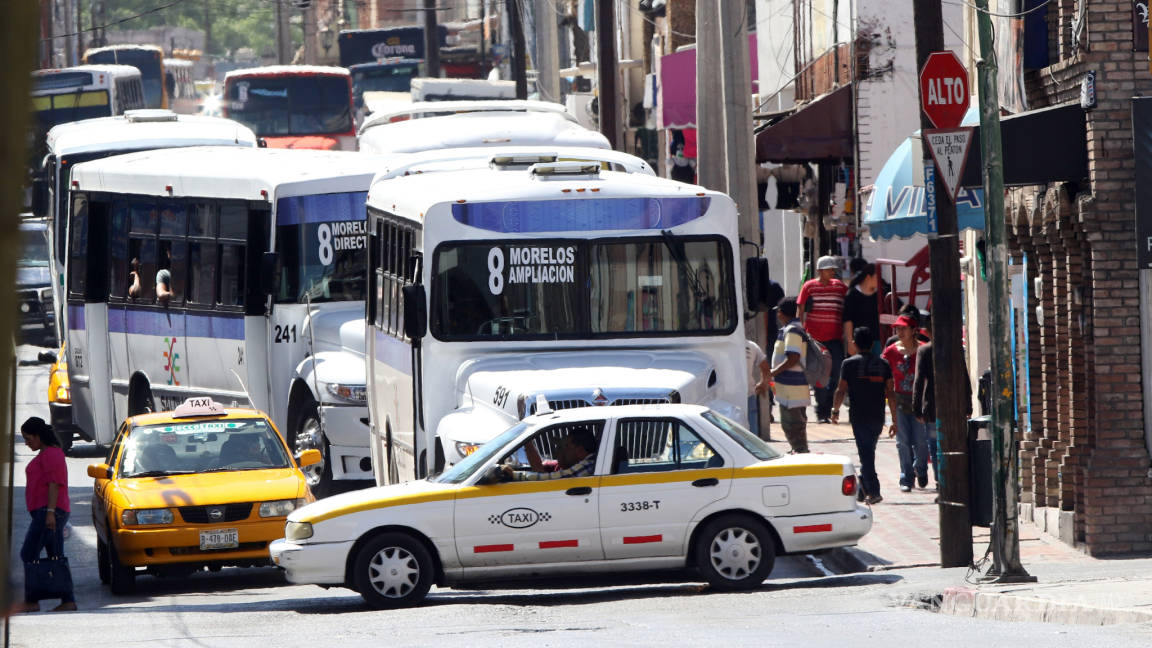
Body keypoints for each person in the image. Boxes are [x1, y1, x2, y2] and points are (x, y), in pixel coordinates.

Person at [831, 327, 897, 504]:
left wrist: (835, 411)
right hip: (877, 416)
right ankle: (863, 489)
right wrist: (895, 420)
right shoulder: (883, 364)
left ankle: (874, 491)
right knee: (868, 451)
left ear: (855, 343)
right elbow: (891, 393)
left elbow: (841, 390)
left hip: (859, 416)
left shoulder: (848, 364)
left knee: (865, 453)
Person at [17, 417, 76, 613]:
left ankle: (32, 600)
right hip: (47, 512)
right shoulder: (46, 453)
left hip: (49, 512)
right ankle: (67, 599)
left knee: (28, 553)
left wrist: (50, 512)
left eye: (28, 438)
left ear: (38, 436)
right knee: (55, 556)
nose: (26, 443)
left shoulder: (51, 454)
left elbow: (54, 484)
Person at [912, 340, 972, 489]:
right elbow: (964, 377)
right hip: (954, 407)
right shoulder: (955, 348)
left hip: (933, 408)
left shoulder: (924, 350)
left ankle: (942, 483)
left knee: (935, 447)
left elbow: (919, 380)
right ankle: (951, 481)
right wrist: (968, 405)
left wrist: (916, 407)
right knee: (953, 444)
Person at [798, 255, 847, 423]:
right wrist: (800, 330)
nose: (832, 272)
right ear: (820, 271)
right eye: (829, 269)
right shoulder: (809, 286)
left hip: (835, 338)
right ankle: (821, 411)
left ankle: (828, 406)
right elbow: (801, 307)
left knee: (836, 374)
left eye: (833, 269)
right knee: (818, 374)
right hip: (814, 339)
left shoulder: (840, 287)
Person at [883, 315, 930, 492]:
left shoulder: (923, 350)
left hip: (920, 401)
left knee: (920, 440)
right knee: (902, 441)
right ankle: (906, 476)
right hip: (899, 401)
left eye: (903, 328)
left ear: (913, 331)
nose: (899, 332)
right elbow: (883, 373)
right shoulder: (891, 351)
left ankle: (921, 470)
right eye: (898, 329)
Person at [768, 296, 810, 453]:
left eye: (778, 312)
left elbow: (794, 357)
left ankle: (800, 454)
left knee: (792, 425)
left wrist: (774, 371)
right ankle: (799, 452)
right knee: (793, 425)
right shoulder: (790, 329)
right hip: (790, 389)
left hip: (793, 391)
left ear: (781, 312)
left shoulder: (792, 330)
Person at [502, 428, 597, 481]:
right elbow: (538, 469)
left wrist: (514, 475)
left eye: (564, 447)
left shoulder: (589, 465)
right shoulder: (560, 465)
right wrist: (527, 442)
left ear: (580, 451)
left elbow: (548, 478)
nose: (558, 452)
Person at [842, 262, 882, 356]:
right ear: (868, 277)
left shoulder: (881, 294)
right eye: (877, 277)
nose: (879, 281)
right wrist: (850, 342)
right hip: (858, 342)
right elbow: (848, 320)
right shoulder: (852, 295)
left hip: (877, 342)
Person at [746, 339, 771, 439]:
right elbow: (766, 369)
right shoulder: (752, 346)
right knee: (752, 434)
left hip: (727, 396)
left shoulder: (724, 346)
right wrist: (763, 384)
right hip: (749, 393)